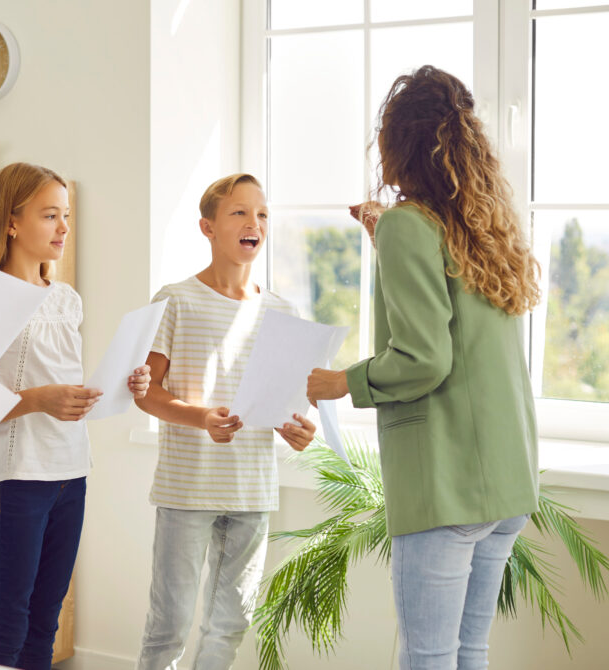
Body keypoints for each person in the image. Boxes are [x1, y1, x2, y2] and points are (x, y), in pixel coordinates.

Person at [307, 65, 541, 670]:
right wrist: (386, 236)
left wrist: (342, 382)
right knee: (468, 653)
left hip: (446, 484)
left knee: (428, 657)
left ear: (397, 142)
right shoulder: (485, 225)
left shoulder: (411, 225)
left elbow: (424, 359)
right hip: (505, 482)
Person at [0, 162, 150, 669]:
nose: (63, 227)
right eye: (49, 215)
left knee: (44, 624)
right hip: (16, 481)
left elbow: (69, 389)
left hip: (71, 475)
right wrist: (39, 400)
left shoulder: (66, 299)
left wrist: (125, 386)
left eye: (65, 215)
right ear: (12, 222)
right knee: (6, 626)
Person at [134, 173, 316, 670]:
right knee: (168, 624)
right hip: (186, 489)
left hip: (252, 490)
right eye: (238, 212)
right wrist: (200, 419)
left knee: (230, 625)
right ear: (207, 227)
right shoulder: (175, 299)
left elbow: (289, 404)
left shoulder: (283, 310)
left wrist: (299, 430)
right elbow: (146, 394)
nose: (252, 222)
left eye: (261, 214)